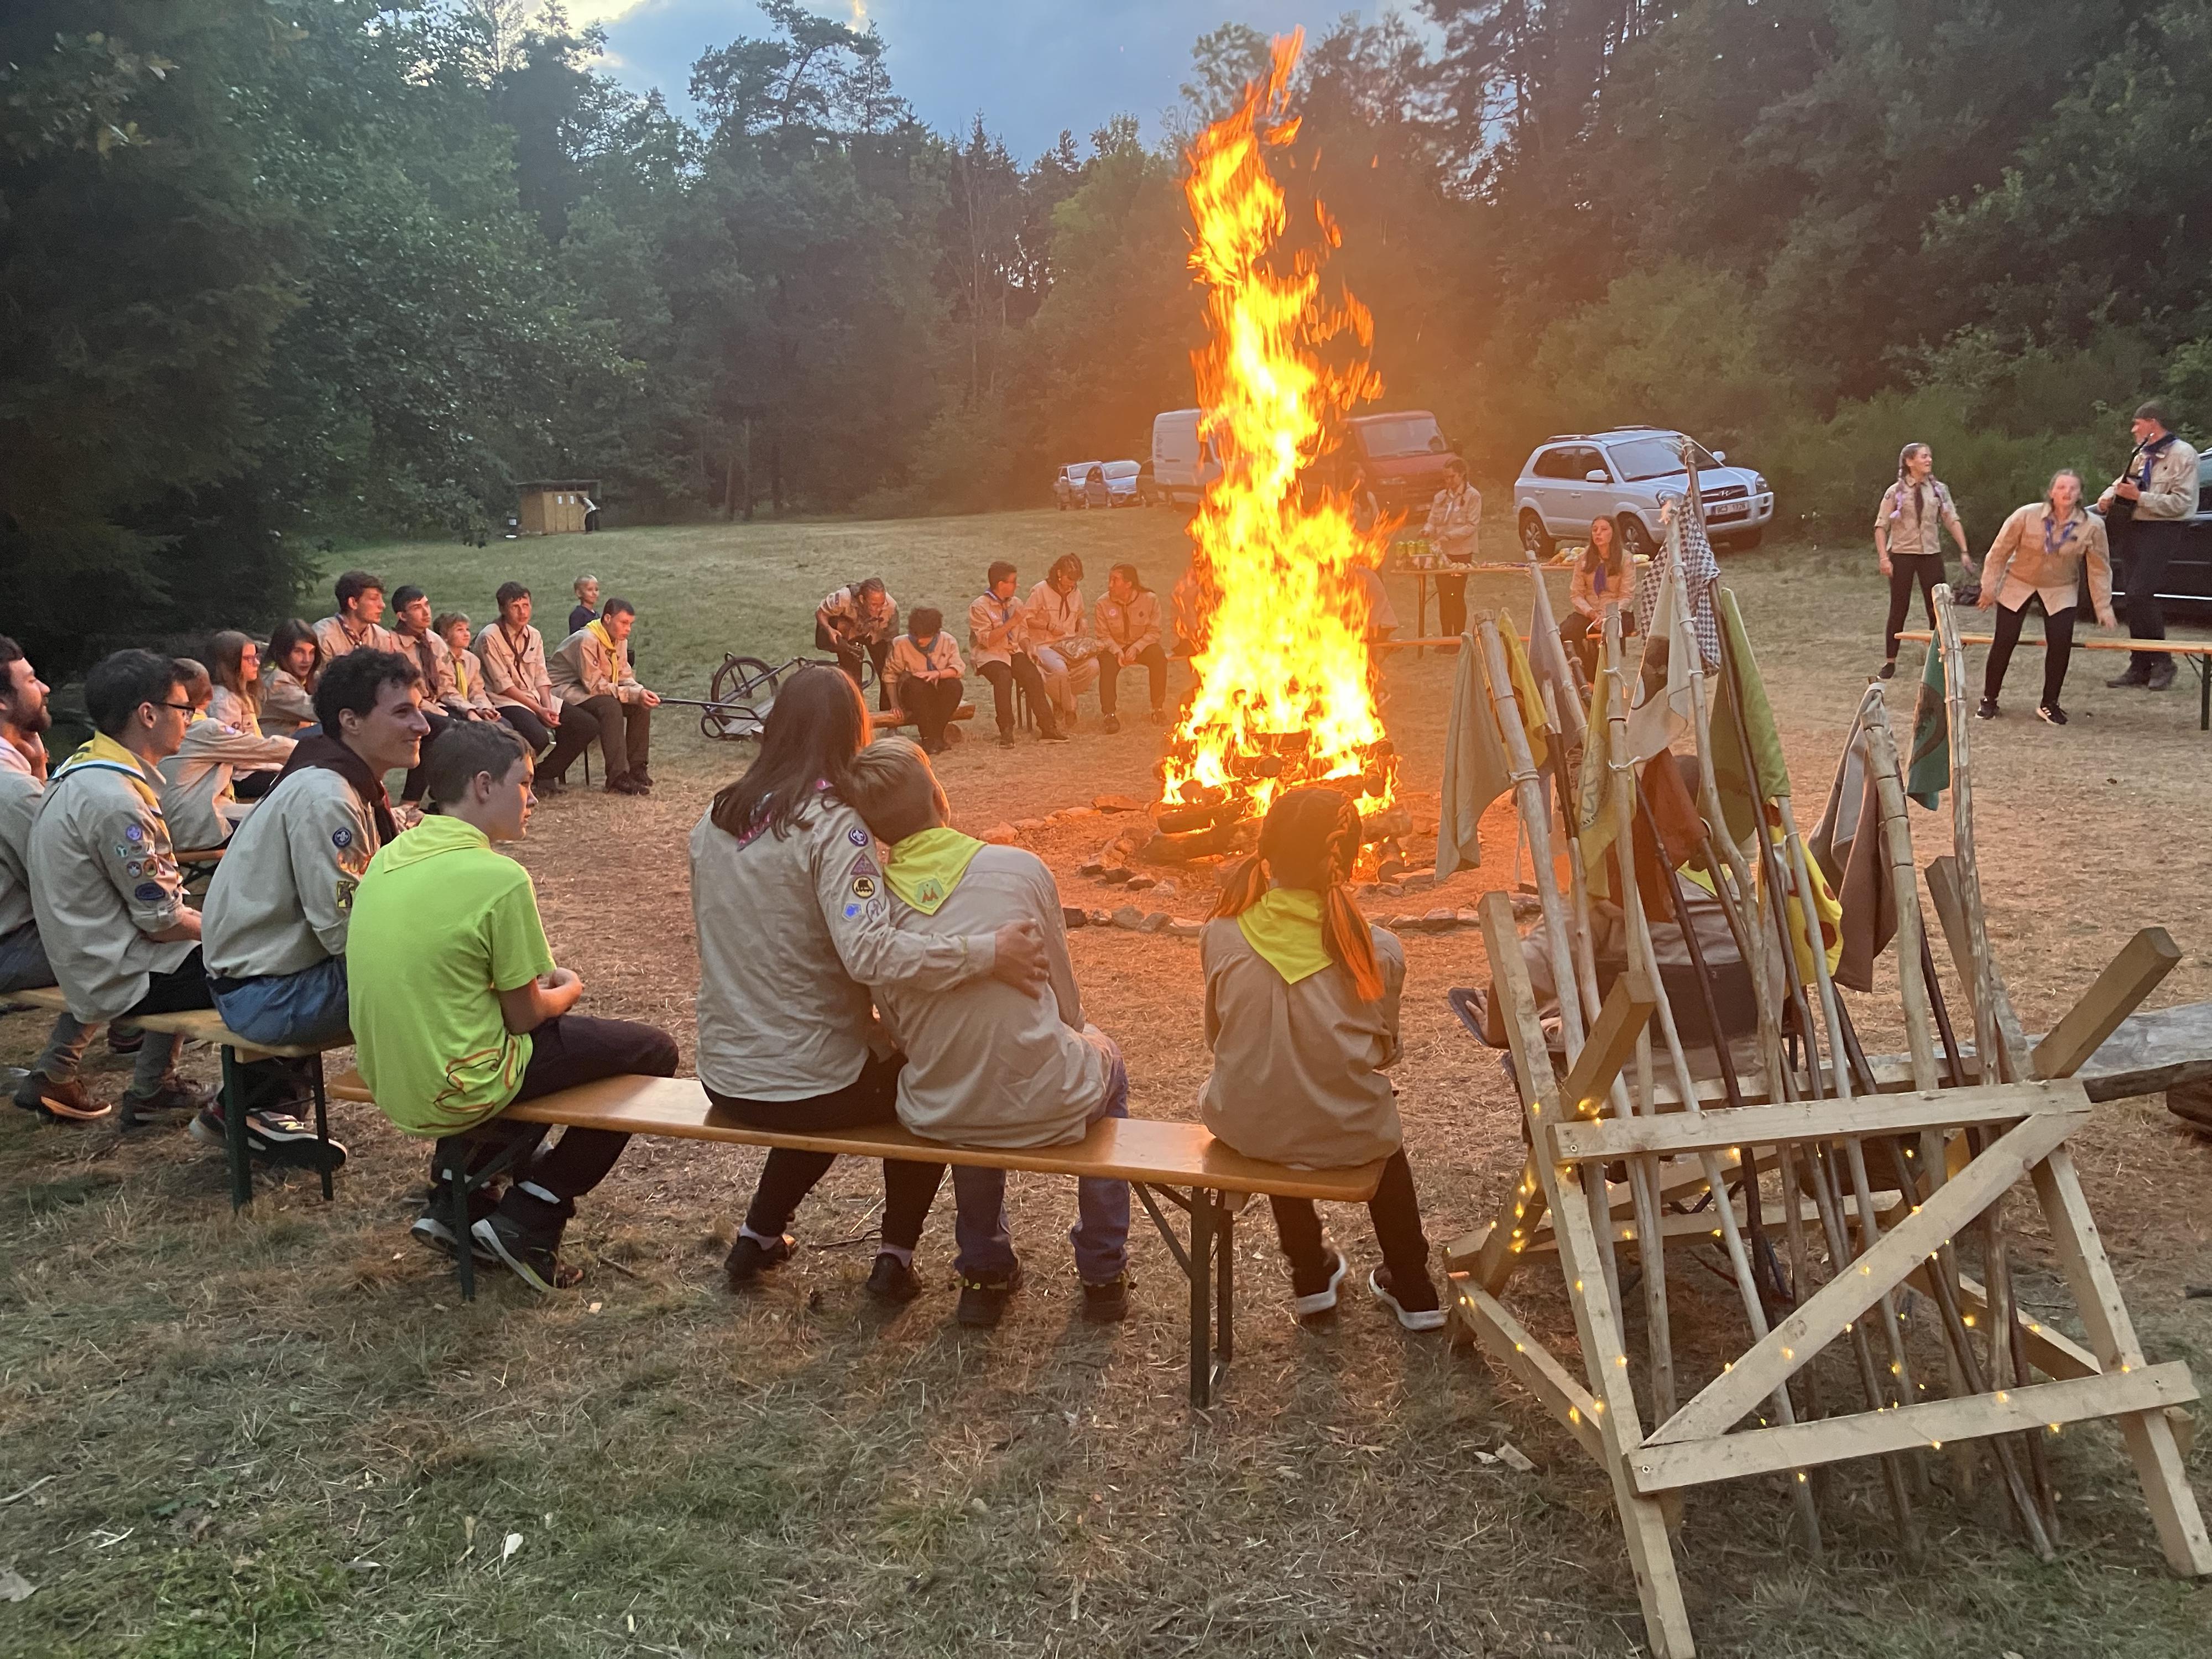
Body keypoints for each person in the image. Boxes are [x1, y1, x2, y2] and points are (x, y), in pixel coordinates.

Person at [688, 667, 1048, 1301]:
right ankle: (895, 1254)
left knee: (828, 1071)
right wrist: (986, 952)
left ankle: (759, 1236)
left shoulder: (717, 817)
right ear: (850, 732)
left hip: (725, 1072)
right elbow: (869, 953)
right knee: (927, 1079)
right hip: (805, 1081)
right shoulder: (834, 827)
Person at [348, 721, 680, 1291]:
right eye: (523, 783)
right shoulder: (498, 878)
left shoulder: (390, 855)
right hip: (460, 1084)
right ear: (483, 785)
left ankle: (460, 1197)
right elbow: (525, 1016)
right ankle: (535, 1211)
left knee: (529, 1045)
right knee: (653, 1050)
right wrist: (570, 988)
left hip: (394, 1078)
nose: (531, 798)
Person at [842, 738, 1132, 1326]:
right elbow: (1067, 1007)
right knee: (1107, 1059)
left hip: (939, 1112)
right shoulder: (1018, 868)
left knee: (964, 1069)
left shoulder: (869, 915)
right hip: (1051, 1103)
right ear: (938, 796)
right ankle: (1103, 1270)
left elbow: (897, 1027)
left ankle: (983, 1269)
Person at [1199, 786, 1444, 1330]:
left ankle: (1309, 1274)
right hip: (1349, 1130)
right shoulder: (1376, 947)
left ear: (1266, 852)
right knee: (1382, 1140)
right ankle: (1413, 1286)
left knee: (1274, 1100)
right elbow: (1385, 1049)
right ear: (1352, 857)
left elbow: (1217, 1037)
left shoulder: (1221, 933)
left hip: (1249, 1126)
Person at [29, 651, 263, 1134]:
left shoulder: (87, 767)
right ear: (148, 715)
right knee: (270, 959)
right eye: (184, 709)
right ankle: (258, 1108)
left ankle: (155, 1088)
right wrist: (232, 929)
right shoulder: (116, 801)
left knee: (222, 942)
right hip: (120, 973)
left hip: (101, 957)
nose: (191, 719)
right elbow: (164, 924)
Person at [202, 650, 427, 1144]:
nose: (423, 726)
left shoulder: (338, 779)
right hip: (267, 994)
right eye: (403, 712)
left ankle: (251, 1104)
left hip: (262, 978)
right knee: (453, 977)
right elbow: (346, 930)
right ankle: (470, 1145)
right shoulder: (328, 797)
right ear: (350, 721)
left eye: (420, 708)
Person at [0, 638, 105, 1123]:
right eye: (29, 680)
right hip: (11, 945)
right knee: (134, 938)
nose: (43, 688)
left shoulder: (18, 774)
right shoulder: (11, 787)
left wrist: (41, 768)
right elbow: (56, 873)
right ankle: (63, 1074)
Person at [1975, 469, 2116, 725]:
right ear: (2051, 492)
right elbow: (1998, 552)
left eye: (2073, 489)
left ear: (2080, 494)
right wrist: (1989, 588)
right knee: (2004, 640)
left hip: (2061, 587)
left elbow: (2099, 568)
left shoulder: (2093, 525)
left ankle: (2050, 703)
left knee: (2060, 644)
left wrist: (2103, 606)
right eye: (2061, 487)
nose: (2067, 493)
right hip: (2020, 582)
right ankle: (1989, 699)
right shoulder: (2026, 515)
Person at [2099, 400, 2201, 690]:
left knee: (2141, 591)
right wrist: (2108, 495)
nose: (2133, 430)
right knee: (2132, 596)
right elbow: (2124, 481)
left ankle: (2164, 663)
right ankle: (2140, 664)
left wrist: (2140, 499)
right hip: (2134, 527)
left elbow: (2183, 504)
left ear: (2153, 423)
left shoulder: (2184, 455)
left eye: (2137, 424)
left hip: (2163, 530)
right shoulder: (2143, 453)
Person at [156, 658, 293, 852]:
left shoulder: (158, 725)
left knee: (276, 812)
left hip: (170, 824)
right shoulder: (201, 728)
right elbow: (262, 748)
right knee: (287, 821)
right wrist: (316, 749)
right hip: (198, 824)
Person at [474, 582, 586, 791]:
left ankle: (544, 774)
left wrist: (547, 705)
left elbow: (541, 674)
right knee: (537, 736)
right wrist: (539, 710)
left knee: (585, 725)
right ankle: (511, 781)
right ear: (502, 609)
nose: (522, 612)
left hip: (535, 696)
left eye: (526, 605)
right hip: (506, 700)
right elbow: (503, 685)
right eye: (515, 607)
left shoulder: (534, 634)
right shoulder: (490, 636)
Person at [547, 596, 661, 796]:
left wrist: (640, 692)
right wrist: (631, 694)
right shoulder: (587, 640)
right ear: (607, 619)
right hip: (565, 691)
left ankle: (637, 767)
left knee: (640, 705)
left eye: (630, 624)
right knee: (610, 707)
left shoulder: (618, 640)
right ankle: (617, 777)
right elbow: (594, 686)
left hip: (588, 688)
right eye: (624, 623)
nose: (628, 629)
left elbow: (624, 675)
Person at [1874, 442, 1968, 679]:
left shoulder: (1939, 490)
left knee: (1937, 606)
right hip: (1902, 553)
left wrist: (1964, 550)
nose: (1929, 460)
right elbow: (1880, 526)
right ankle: (1890, 661)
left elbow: (1951, 519)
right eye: (1924, 456)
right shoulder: (1895, 491)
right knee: (1899, 606)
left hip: (1930, 553)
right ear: (1909, 462)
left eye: (1930, 456)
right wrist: (1884, 558)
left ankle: (1939, 655)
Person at [968, 562, 1064, 745]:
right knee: (1003, 677)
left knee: (1032, 675)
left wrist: (1029, 648)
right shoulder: (979, 607)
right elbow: (987, 641)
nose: (1016, 585)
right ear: (1000, 584)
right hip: (990, 655)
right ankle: (1006, 730)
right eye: (1013, 581)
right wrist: (1012, 622)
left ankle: (1048, 727)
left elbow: (1023, 634)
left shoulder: (1016, 603)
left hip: (1013, 651)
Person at [1026, 554, 1098, 730]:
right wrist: (1048, 626)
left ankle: (1060, 699)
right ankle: (1070, 708)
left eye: (1075, 580)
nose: (1071, 584)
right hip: (1045, 645)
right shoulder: (1040, 590)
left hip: (1068, 644)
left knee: (1093, 665)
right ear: (1059, 573)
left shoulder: (1076, 593)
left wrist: (1083, 621)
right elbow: (1026, 618)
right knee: (1059, 670)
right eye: (1069, 579)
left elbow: (1080, 614)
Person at [1094, 564, 1168, 731]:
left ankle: (1158, 708)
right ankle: (1109, 715)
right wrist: (1117, 651)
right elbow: (1103, 635)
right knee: (1106, 663)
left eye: (1115, 580)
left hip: (1141, 645)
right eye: (1110, 580)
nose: (1110, 585)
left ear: (1129, 584)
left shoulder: (1149, 600)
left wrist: (1137, 647)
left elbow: (1154, 632)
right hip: (1115, 647)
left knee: (1158, 656)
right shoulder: (1103, 603)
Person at [884, 606, 966, 754]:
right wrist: (895, 704)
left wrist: (937, 674)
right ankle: (928, 737)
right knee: (917, 686)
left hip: (939, 692)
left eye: (925, 636)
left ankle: (937, 735)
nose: (920, 640)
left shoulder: (948, 641)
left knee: (954, 685)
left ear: (936, 633)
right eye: (916, 635)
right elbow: (890, 676)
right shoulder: (901, 644)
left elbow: (958, 669)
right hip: (915, 695)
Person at [1562, 517, 1636, 680]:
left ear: (1613, 533)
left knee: (1612, 630)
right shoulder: (1584, 559)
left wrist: (1607, 614)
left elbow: (1627, 595)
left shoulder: (1625, 559)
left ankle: (1609, 676)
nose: (1598, 533)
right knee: (1565, 632)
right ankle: (1587, 676)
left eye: (1604, 529)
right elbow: (1577, 594)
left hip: (1617, 611)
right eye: (1595, 529)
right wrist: (1591, 613)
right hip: (1589, 612)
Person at [1423, 456, 1481, 643]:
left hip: (1461, 553)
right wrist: (1427, 530)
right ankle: (1446, 638)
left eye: (1452, 477)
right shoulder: (1440, 497)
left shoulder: (1473, 496)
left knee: (1456, 595)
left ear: (1462, 474)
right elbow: (1433, 519)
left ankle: (1459, 638)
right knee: (1444, 595)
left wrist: (1449, 536)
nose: (1449, 481)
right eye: (1446, 478)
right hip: (1442, 553)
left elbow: (1472, 526)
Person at [816, 578, 899, 707]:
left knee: (887, 672)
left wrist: (891, 663)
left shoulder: (892, 607)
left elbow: (892, 640)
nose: (879, 609)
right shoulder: (844, 598)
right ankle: (857, 714)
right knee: (852, 680)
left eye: (881, 604)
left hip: (876, 635)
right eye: (874, 605)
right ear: (862, 599)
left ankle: (889, 715)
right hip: (850, 635)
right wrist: (830, 630)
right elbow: (821, 613)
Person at [312, 569, 403, 663]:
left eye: (381, 599)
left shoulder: (382, 637)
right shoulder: (324, 636)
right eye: (374, 599)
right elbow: (319, 677)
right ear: (353, 603)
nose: (383, 605)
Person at [435, 612, 501, 721]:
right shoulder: (439, 659)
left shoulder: (472, 660)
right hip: (447, 706)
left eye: (467, 629)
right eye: (460, 630)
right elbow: (446, 692)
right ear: (444, 636)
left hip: (470, 706)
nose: (466, 634)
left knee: (504, 724)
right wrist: (471, 710)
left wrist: (485, 708)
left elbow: (477, 690)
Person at [260, 620, 321, 738]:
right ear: (282, 652)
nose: (307, 660)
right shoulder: (277, 680)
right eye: (299, 652)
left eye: (312, 652)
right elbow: (317, 711)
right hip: (276, 745)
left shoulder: (303, 675)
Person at [568, 574, 601, 638]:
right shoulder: (578, 614)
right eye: (590, 590)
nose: (594, 593)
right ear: (579, 593)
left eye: (596, 590)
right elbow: (575, 639)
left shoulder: (597, 614)